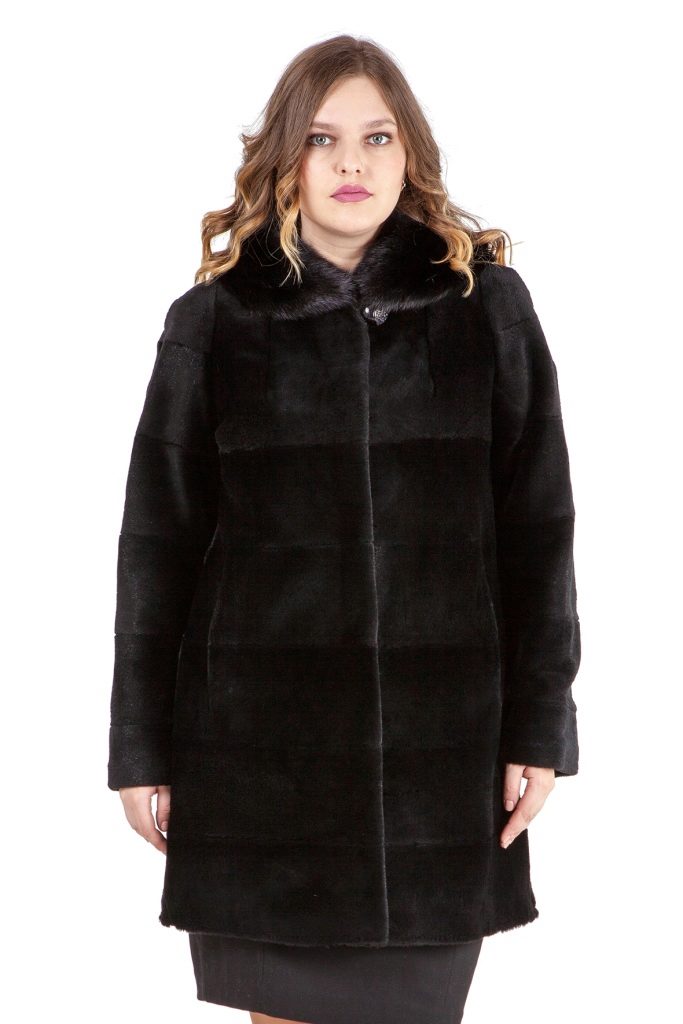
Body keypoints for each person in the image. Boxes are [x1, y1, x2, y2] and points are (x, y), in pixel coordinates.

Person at [107, 34, 581, 1024]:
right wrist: (141, 747)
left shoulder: (485, 308)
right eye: (321, 139)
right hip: (259, 761)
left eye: (376, 136)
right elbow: (157, 544)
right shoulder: (213, 323)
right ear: (285, 156)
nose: (350, 162)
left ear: (410, 154)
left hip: (438, 764)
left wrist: (539, 724)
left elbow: (536, 529)